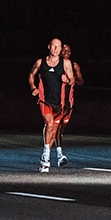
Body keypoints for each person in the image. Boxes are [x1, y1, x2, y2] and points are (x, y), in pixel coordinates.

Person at [28, 38, 75, 173]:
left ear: (60, 49)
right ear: (49, 47)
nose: (55, 49)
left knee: (54, 129)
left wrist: (68, 80)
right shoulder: (41, 62)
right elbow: (31, 74)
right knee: (49, 125)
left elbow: (72, 80)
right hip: (45, 100)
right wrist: (33, 87)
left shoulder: (65, 63)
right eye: (53, 46)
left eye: (58, 47)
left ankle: (48, 152)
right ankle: (45, 157)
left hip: (59, 102)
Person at [53, 43, 84, 163]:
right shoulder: (54, 64)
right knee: (56, 127)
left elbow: (81, 82)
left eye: (68, 51)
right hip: (55, 100)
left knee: (62, 128)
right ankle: (59, 154)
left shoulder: (74, 66)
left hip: (68, 101)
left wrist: (73, 80)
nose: (66, 53)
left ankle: (55, 148)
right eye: (64, 50)